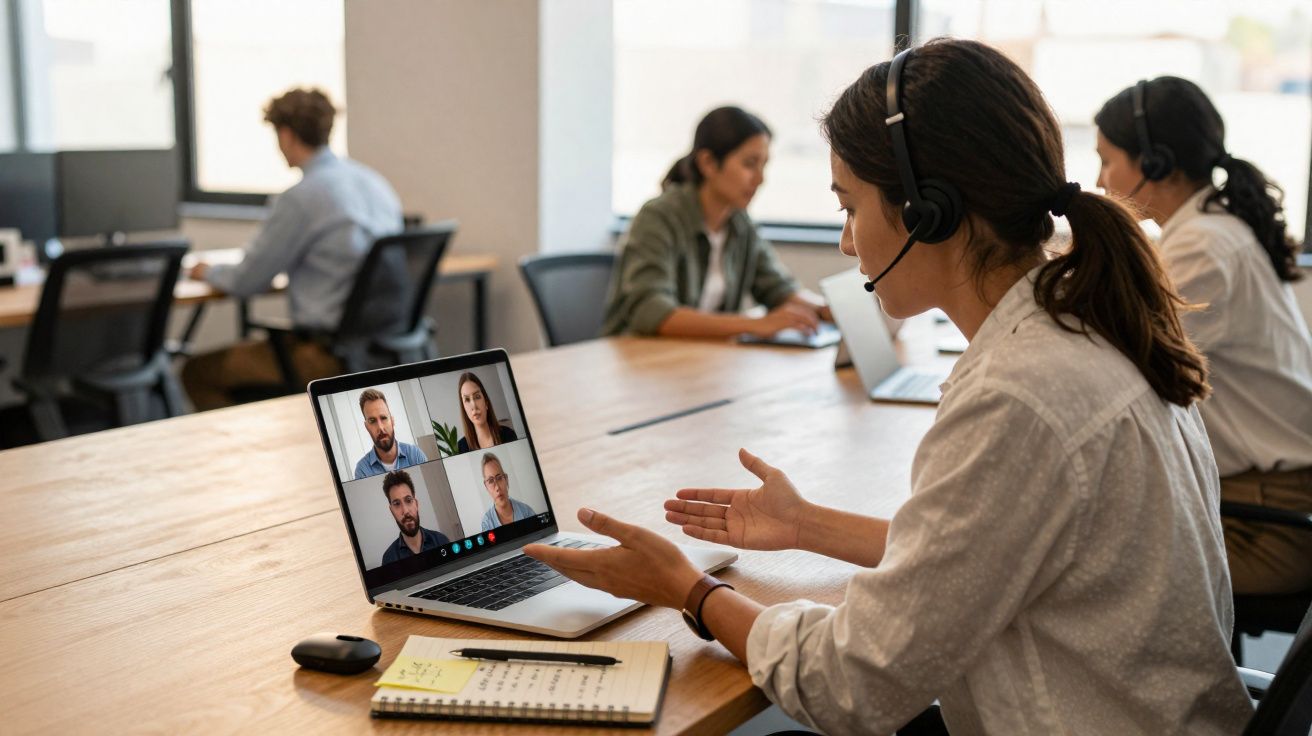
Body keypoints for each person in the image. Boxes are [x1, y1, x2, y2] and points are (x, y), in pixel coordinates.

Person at [527, 40, 1252, 734]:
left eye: (849, 207)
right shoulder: (1087, 327)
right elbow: (977, 552)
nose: (847, 241)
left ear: (926, 210)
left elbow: (848, 683)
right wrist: (805, 525)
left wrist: (689, 589)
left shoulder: (1018, 395)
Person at [1094, 76, 1312, 596]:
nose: (1099, 182)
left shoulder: (1203, 248)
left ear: (1155, 164)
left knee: (1079, 562)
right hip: (1256, 497)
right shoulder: (1208, 229)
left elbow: (1113, 371)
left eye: (1106, 161)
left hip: (1264, 523)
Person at [182, 88, 403, 411]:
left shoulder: (302, 198)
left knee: (197, 372)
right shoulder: (374, 182)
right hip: (382, 350)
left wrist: (208, 271)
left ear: (286, 136)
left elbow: (247, 280)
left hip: (324, 359)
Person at [602, 106, 830, 338]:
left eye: (764, 165)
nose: (761, 179)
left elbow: (778, 288)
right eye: (750, 164)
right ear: (708, 163)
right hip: (639, 354)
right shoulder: (658, 217)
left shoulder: (740, 224)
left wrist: (826, 310)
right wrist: (754, 324)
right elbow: (651, 312)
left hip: (700, 355)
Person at [353, 388, 428, 479]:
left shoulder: (415, 455)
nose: (380, 427)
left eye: (383, 418)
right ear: (367, 427)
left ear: (392, 421)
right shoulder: (362, 470)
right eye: (372, 421)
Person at [380, 469, 449, 566]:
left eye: (408, 500)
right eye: (397, 504)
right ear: (392, 511)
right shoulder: (389, 558)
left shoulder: (441, 541)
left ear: (416, 504)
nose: (405, 511)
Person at [455, 372, 517, 453]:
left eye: (477, 397)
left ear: (486, 402)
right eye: (467, 399)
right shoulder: (461, 448)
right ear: (464, 409)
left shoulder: (509, 435)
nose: (474, 405)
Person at [478, 452, 536, 532]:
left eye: (499, 478)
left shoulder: (527, 512)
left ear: (506, 479)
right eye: (491, 481)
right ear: (486, 487)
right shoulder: (487, 523)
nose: (497, 487)